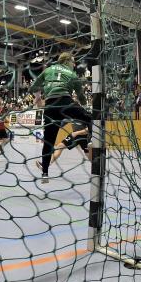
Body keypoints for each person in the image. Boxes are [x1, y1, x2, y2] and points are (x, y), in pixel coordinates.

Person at [29, 51, 91, 183]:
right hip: (65, 102)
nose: (74, 64)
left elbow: (33, 86)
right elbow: (80, 96)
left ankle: (45, 173)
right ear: (67, 61)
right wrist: (85, 106)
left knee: (49, 141)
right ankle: (91, 141)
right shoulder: (72, 74)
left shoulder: (48, 70)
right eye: (73, 62)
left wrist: (38, 96)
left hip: (50, 106)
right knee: (91, 119)